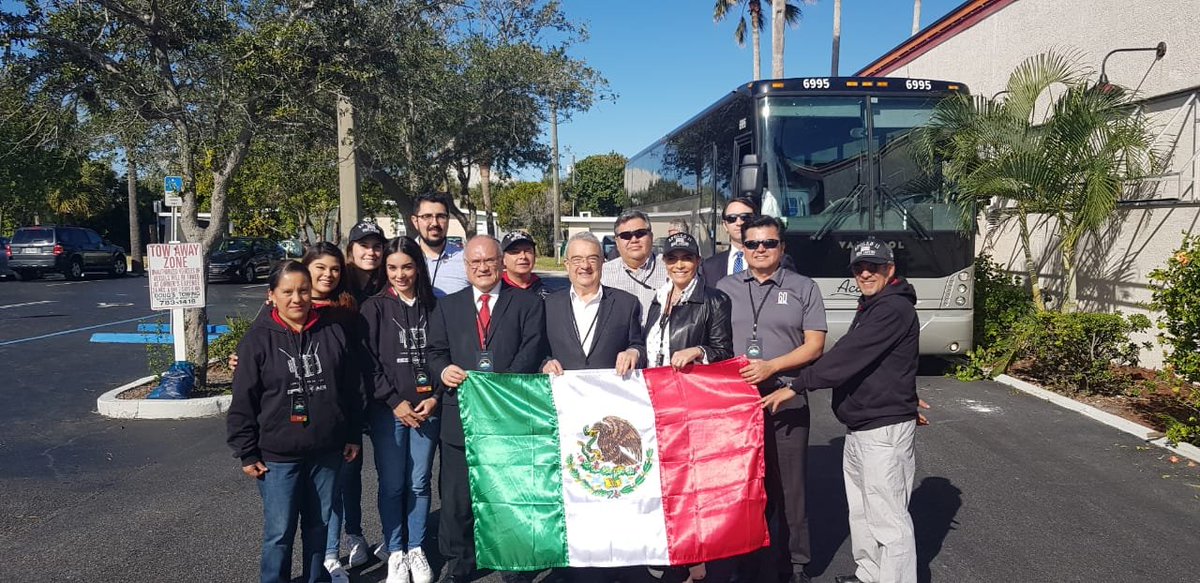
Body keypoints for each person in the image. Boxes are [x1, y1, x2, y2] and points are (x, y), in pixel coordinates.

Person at [762, 240, 921, 583]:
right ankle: (870, 574)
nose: (866, 274)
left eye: (874, 267)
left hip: (882, 428)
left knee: (889, 519)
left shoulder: (893, 308)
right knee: (863, 511)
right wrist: (907, 396)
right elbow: (887, 362)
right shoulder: (873, 305)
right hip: (865, 424)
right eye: (859, 268)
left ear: (890, 269)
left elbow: (848, 356)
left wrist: (797, 385)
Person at [227, 261, 363, 583]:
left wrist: (352, 434)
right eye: (287, 292)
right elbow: (243, 399)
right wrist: (246, 451)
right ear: (271, 295)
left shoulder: (332, 332)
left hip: (326, 451)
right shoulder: (257, 340)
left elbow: (351, 389)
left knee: (318, 527)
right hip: (277, 457)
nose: (297, 298)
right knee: (279, 533)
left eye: (303, 290)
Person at [427, 235, 547, 583]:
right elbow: (435, 352)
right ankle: (459, 562)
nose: (482, 268)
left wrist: (500, 388)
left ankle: (513, 562)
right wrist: (443, 370)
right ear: (466, 266)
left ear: (501, 263)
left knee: (509, 494)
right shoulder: (448, 306)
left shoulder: (527, 303)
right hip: (460, 415)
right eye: (475, 262)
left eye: (489, 261)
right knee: (457, 498)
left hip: (509, 414)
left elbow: (532, 348)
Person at [715, 216, 826, 583]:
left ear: (782, 247)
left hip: (785, 397)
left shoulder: (803, 287)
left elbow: (815, 346)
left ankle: (795, 564)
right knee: (745, 486)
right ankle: (747, 559)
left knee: (790, 488)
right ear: (743, 248)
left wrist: (772, 366)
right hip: (737, 405)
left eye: (769, 243)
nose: (760, 249)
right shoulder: (725, 288)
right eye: (752, 244)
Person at [360, 236, 442, 583]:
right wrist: (395, 402)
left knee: (420, 482)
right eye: (392, 268)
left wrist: (435, 396)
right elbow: (368, 363)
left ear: (418, 267)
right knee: (393, 484)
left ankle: (416, 547)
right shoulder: (374, 308)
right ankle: (396, 551)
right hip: (389, 411)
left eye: (407, 266)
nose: (400, 274)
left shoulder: (436, 305)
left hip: (428, 408)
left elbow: (446, 355)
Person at [542, 232, 645, 375]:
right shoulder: (548, 305)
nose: (585, 265)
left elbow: (639, 345)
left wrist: (633, 352)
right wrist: (545, 363)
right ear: (567, 265)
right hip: (563, 387)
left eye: (592, 259)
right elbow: (539, 351)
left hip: (611, 387)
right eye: (577, 259)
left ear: (602, 262)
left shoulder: (626, 304)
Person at [643, 232, 734, 371]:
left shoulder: (716, 300)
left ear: (698, 261)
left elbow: (725, 354)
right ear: (664, 262)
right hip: (655, 380)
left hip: (688, 381)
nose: (679, 265)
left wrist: (698, 351)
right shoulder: (659, 298)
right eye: (672, 259)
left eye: (687, 258)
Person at [702, 198, 795, 289]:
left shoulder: (779, 260)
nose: (739, 222)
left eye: (745, 217)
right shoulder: (710, 266)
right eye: (732, 218)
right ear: (725, 225)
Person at [601, 210, 668, 323]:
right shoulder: (603, 274)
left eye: (640, 233)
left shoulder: (670, 269)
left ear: (651, 237)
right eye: (626, 236)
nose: (634, 240)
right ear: (617, 242)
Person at [410, 194, 469, 297]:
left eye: (441, 216)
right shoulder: (402, 257)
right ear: (415, 221)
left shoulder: (466, 259)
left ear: (448, 220)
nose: (434, 223)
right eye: (427, 216)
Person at [345, 220, 387, 304]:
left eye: (377, 246)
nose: (371, 252)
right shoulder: (340, 280)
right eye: (364, 246)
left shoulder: (389, 282)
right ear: (351, 249)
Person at [500, 230, 550, 300]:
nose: (523, 256)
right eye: (515, 252)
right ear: (503, 259)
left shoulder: (547, 294)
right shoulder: (496, 292)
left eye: (527, 251)